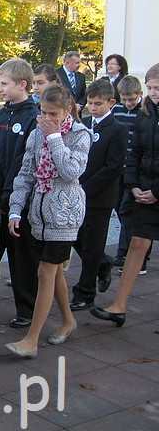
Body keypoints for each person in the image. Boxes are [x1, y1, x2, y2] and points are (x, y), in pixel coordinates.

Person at [6, 84, 91, 357]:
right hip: (39, 213)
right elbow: (26, 174)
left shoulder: (80, 134)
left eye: (53, 113)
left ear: (68, 110)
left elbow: (70, 172)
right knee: (54, 273)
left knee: (45, 272)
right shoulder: (36, 133)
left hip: (65, 215)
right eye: (43, 112)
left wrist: (54, 137)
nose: (46, 118)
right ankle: (68, 320)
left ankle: (31, 340)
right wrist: (15, 209)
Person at [92, 63, 159, 328]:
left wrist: (156, 191)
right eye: (150, 88)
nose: (153, 93)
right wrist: (133, 184)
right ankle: (118, 306)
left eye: (158, 88)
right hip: (144, 188)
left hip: (155, 190)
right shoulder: (146, 113)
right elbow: (136, 152)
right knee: (137, 244)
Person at [0, 58, 41, 328]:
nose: (0, 89)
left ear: (22, 84)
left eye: (4, 84)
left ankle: (27, 309)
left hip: (18, 204)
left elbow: (23, 163)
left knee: (22, 260)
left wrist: (8, 197)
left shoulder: (33, 118)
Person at [69, 80, 128, 310]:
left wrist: (86, 188)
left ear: (111, 103)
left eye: (98, 104)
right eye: (90, 103)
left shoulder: (117, 129)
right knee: (75, 237)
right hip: (78, 192)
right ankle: (103, 263)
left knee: (92, 244)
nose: (93, 108)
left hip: (99, 197)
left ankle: (85, 292)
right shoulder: (83, 124)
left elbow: (113, 167)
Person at [111, 75, 149, 269]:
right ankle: (128, 249)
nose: (128, 104)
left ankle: (124, 252)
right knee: (119, 207)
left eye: (132, 99)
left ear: (140, 94)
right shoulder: (117, 110)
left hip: (134, 169)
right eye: (124, 99)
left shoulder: (144, 112)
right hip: (118, 168)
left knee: (127, 209)